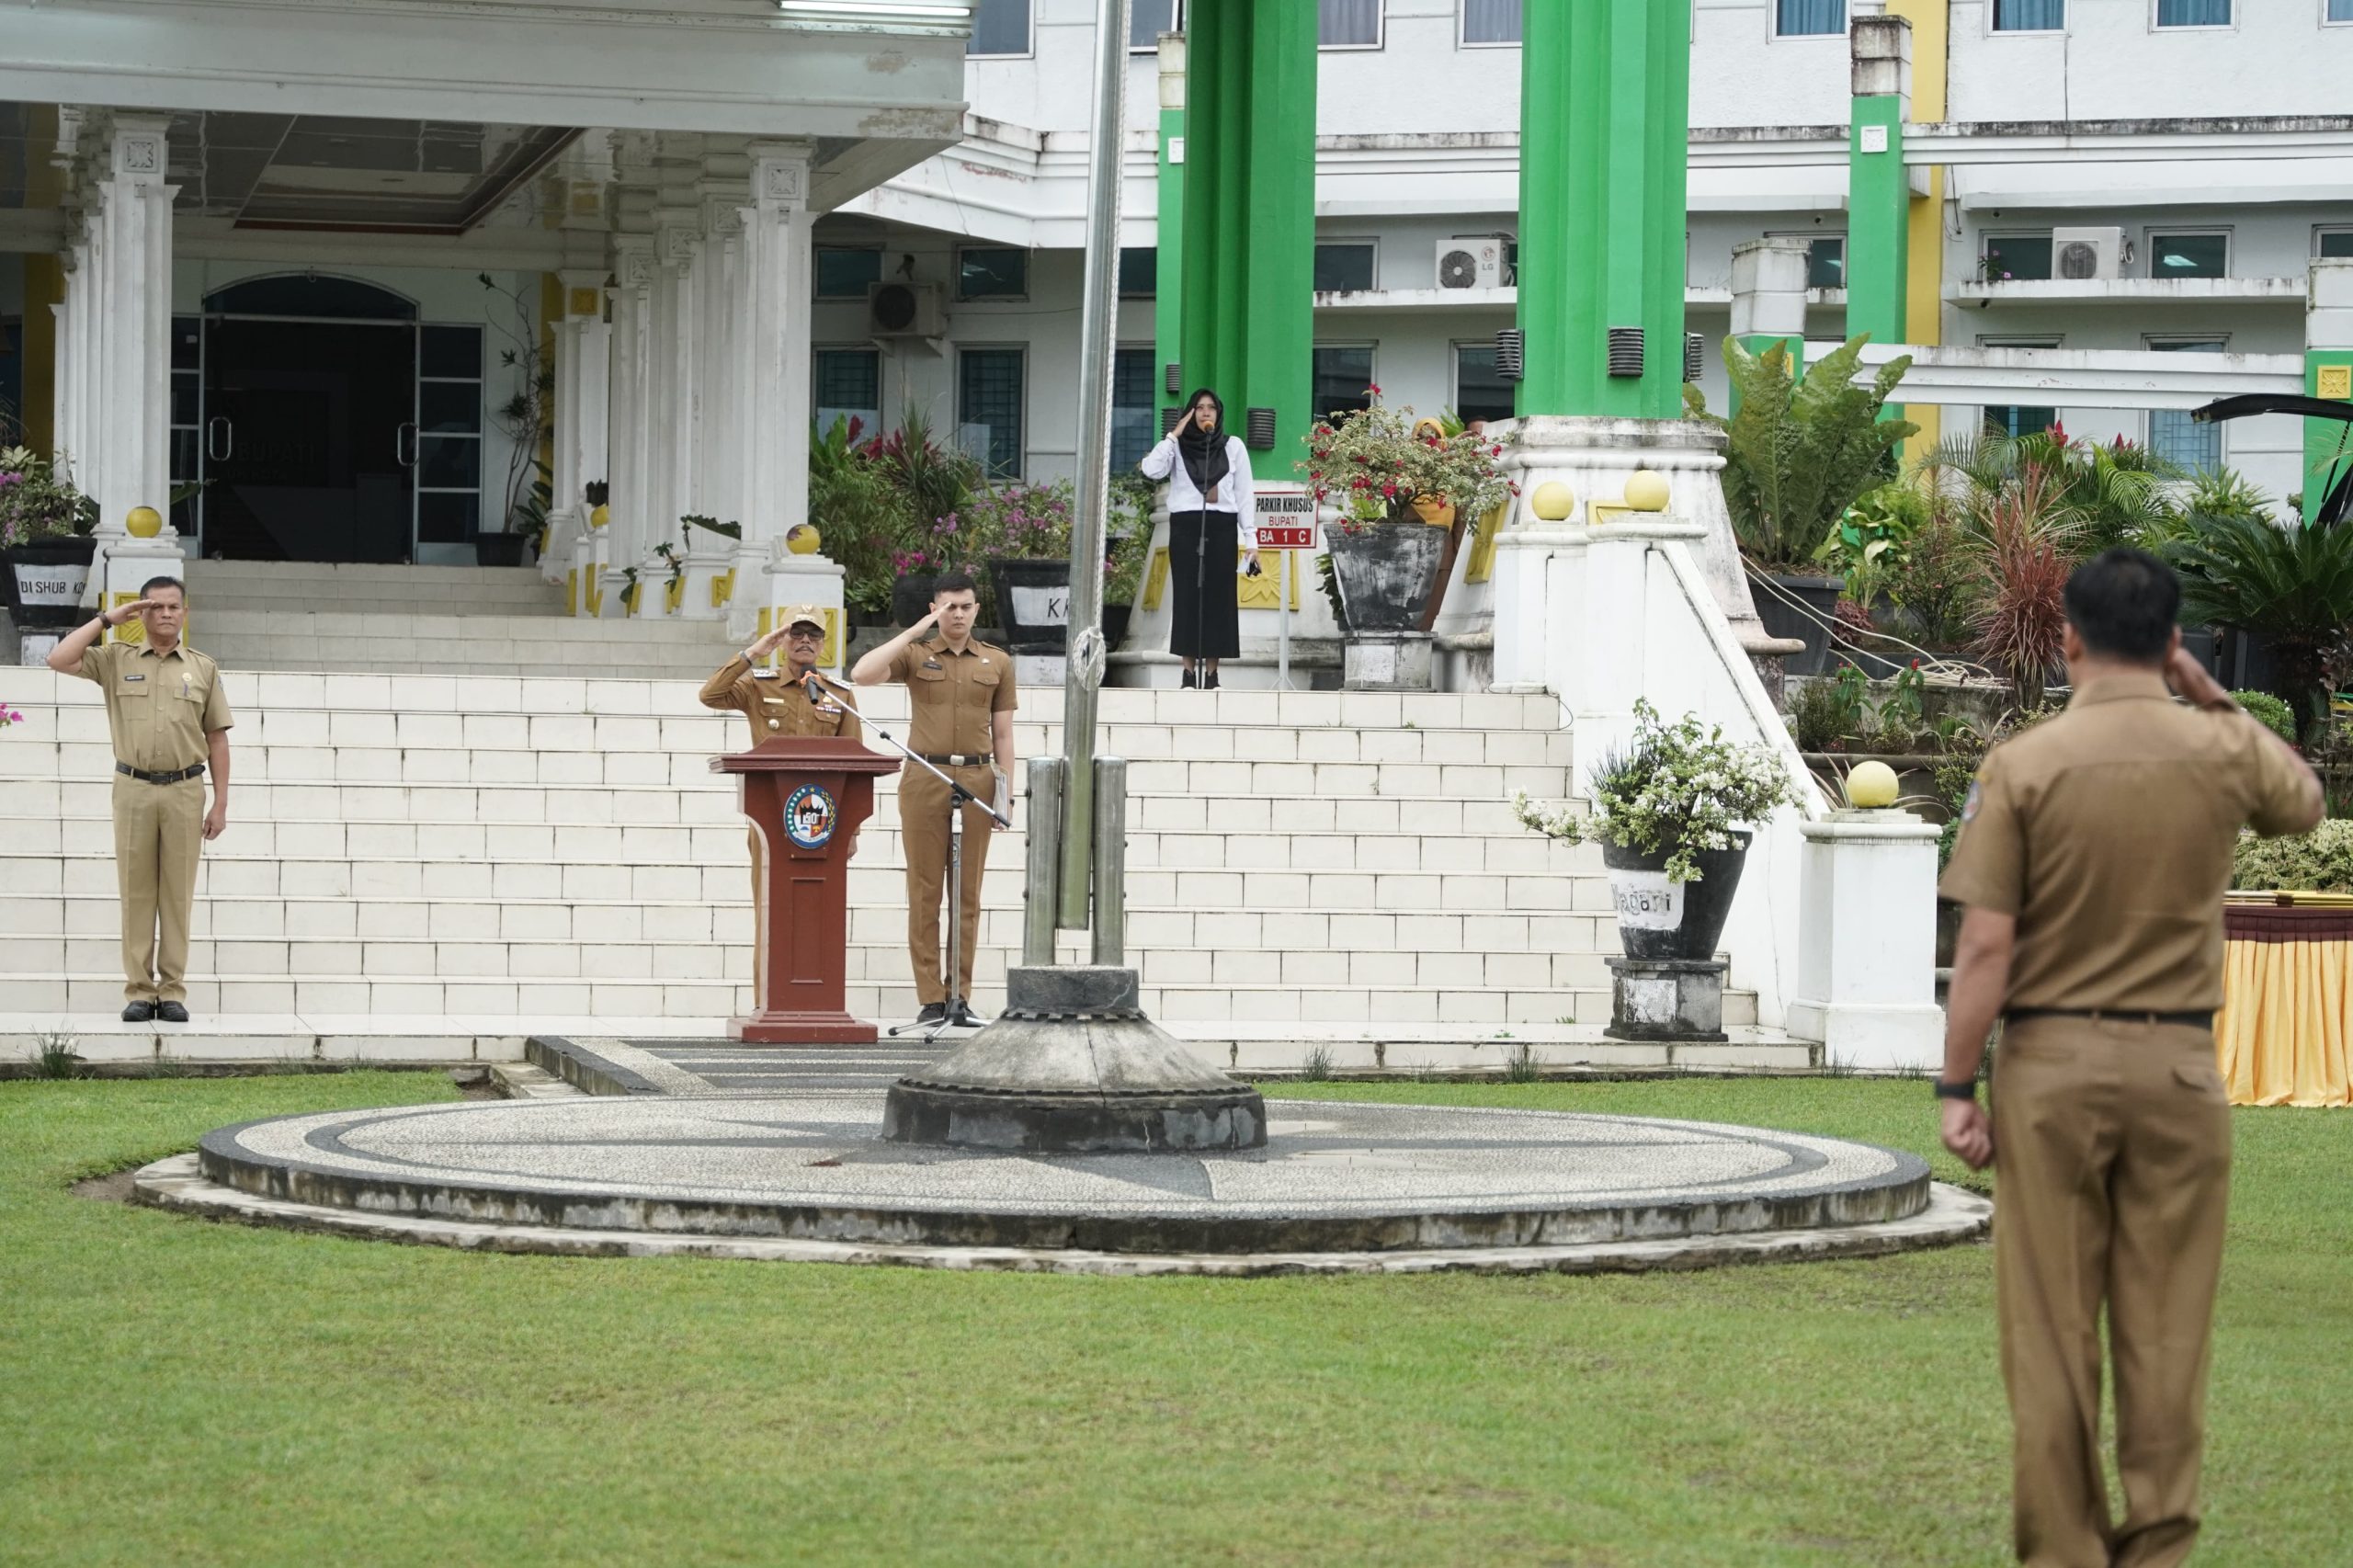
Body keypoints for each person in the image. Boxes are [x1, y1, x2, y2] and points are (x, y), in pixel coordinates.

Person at [1937, 548, 2322, 1568]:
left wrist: (1953, 1085)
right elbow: (2306, 801)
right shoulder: (2218, 751)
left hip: (2051, 1066)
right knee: (2166, 1331)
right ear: (2171, 642)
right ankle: (2157, 1547)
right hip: (2180, 1069)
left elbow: (1984, 945)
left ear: (2066, 636)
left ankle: (2065, 1551)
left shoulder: (2023, 764)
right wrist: (2204, 694)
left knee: (2052, 1332)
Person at [46, 577, 233, 1023]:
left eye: (174, 606)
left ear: (185, 614)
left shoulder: (203, 668)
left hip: (186, 789)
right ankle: (138, 989)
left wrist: (220, 803)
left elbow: (217, 739)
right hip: (133, 788)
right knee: (136, 892)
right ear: (142, 613)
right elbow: (58, 659)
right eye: (156, 607)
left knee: (176, 894)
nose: (166, 613)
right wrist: (107, 620)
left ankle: (171, 990)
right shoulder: (115, 659)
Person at [850, 573, 1017, 1028]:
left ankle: (960, 996)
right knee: (925, 892)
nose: (957, 615)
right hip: (925, 776)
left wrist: (1006, 794)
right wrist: (914, 629)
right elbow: (861, 675)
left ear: (977, 609)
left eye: (964, 606)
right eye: (948, 607)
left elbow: (1003, 733)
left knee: (967, 895)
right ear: (934, 609)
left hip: (979, 778)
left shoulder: (997, 662)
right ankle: (931, 998)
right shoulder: (916, 654)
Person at [699, 605, 862, 1009]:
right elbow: (710, 695)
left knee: (819, 912)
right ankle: (768, 1003)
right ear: (782, 640)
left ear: (824, 644)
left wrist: (853, 830)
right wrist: (755, 651)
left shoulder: (837, 694)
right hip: (771, 818)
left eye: (813, 635)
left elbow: (856, 761)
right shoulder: (759, 686)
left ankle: (818, 1002)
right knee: (770, 910)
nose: (805, 640)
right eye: (796, 633)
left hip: (823, 821)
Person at [1140, 386, 1258, 688]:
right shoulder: (1178, 447)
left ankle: (1213, 673)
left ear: (1219, 414)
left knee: (1218, 598)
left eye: (1212, 408)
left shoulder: (1233, 447)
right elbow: (1151, 470)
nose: (1206, 413)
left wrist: (1251, 541)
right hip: (1186, 525)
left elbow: (1245, 496)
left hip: (1222, 526)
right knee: (1188, 596)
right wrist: (1173, 435)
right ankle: (1188, 672)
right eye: (1200, 407)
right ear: (1190, 412)